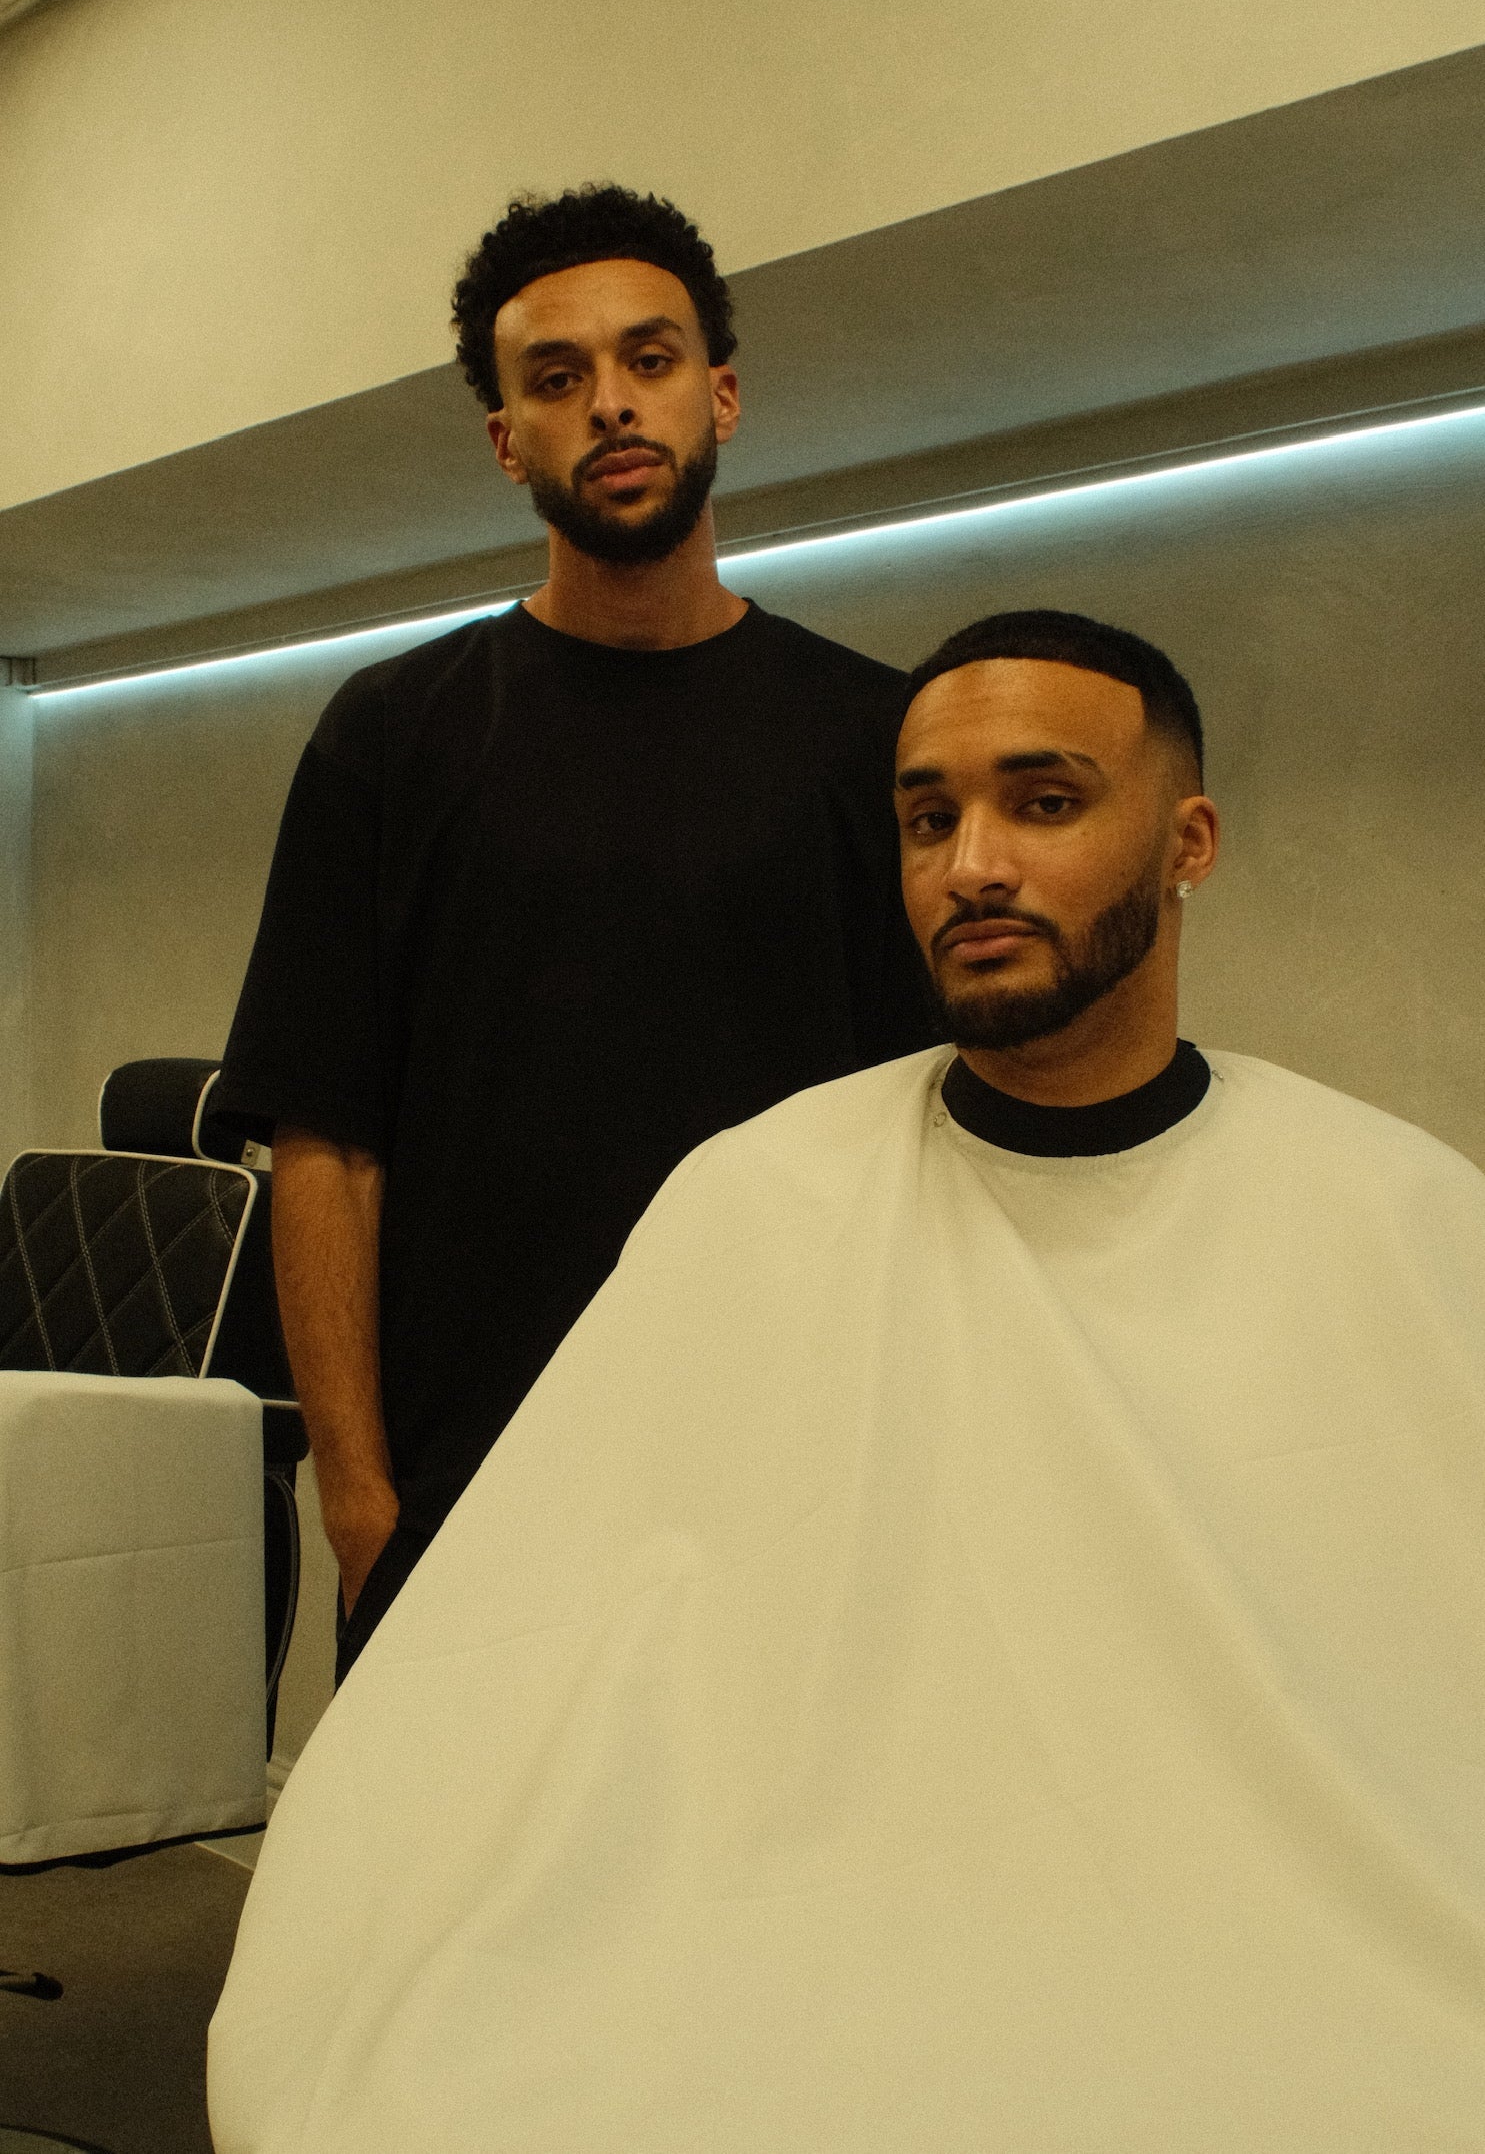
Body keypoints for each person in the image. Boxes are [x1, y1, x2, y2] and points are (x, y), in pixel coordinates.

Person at [208, 609, 1484, 2153]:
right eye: (927, 819)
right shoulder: (757, 1198)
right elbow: (562, 1636)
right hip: (809, 1892)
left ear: (1186, 840)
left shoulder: (1393, 1216)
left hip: (1257, 1914)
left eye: (1045, 801)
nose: (972, 867)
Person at [209, 185, 934, 1679]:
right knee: (451, 1912)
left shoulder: (873, 739)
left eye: (650, 357)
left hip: (795, 1475)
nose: (609, 400)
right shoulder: (393, 739)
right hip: (471, 1483)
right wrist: (356, 1497)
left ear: (718, 392)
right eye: (555, 378)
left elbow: (930, 1132)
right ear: (506, 441)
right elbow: (325, 1146)